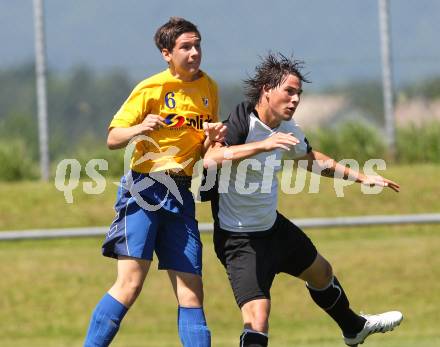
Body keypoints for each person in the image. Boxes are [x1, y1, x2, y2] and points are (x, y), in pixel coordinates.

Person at [202, 53, 403, 347]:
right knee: (257, 318)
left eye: (299, 94)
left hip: (273, 229)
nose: (295, 99)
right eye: (289, 91)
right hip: (239, 239)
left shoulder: (288, 128)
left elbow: (311, 159)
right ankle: (354, 327)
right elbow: (210, 159)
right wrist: (263, 145)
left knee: (322, 272)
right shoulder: (243, 120)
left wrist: (362, 177)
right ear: (267, 90)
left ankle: (354, 328)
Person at [84, 17, 226, 347]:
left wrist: (213, 139)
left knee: (192, 289)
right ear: (166, 53)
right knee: (131, 284)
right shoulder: (151, 89)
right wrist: (139, 128)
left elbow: (204, 148)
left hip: (181, 191)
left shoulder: (209, 88)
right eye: (185, 47)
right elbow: (113, 137)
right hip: (144, 188)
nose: (194, 52)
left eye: (198, 45)